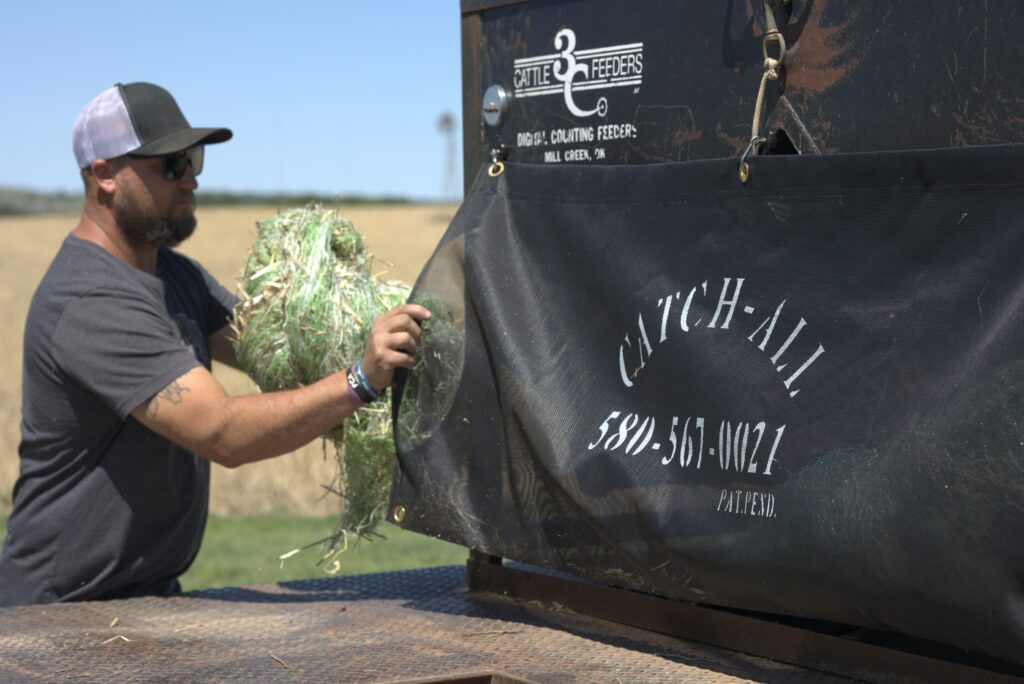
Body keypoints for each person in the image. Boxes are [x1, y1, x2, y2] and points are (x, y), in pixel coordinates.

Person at [0, 82, 430, 606]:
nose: (192, 180)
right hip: (57, 613)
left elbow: (273, 351)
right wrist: (359, 381)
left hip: (143, 598)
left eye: (194, 159)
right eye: (171, 164)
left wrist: (341, 302)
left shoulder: (176, 277)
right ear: (105, 175)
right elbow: (221, 431)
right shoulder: (92, 300)